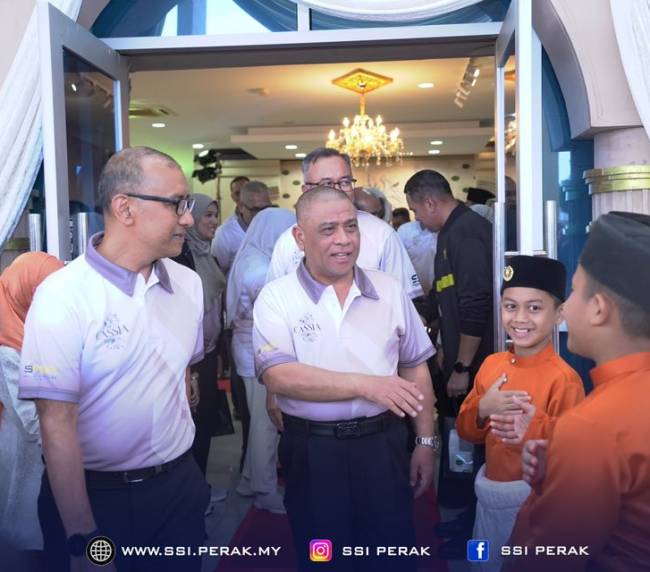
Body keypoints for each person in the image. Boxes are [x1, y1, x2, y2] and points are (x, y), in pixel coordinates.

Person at [19, 147, 209, 572]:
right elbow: (55, 423)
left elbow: (182, 373)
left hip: (179, 488)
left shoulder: (188, 284)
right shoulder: (64, 295)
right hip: (96, 498)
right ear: (125, 208)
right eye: (177, 204)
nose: (188, 219)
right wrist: (82, 537)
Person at [253, 186, 437, 571]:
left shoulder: (388, 290)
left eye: (351, 227)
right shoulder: (277, 297)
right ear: (300, 237)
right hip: (313, 451)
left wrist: (424, 441)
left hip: (383, 445)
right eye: (328, 229)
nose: (344, 240)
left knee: (391, 556)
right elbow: (280, 377)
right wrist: (368, 384)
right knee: (323, 558)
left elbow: (415, 368)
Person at [508, 212, 650, 571]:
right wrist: (560, 472)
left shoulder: (593, 426)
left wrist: (552, 483)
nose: (567, 306)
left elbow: (545, 561)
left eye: (573, 291)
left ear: (598, 309)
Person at [456, 255, 585, 571]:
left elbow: (574, 457)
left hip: (536, 507)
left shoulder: (564, 379)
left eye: (535, 308)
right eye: (510, 306)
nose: (520, 318)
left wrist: (532, 428)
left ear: (559, 314)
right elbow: (465, 431)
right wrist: (482, 409)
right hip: (488, 499)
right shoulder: (491, 365)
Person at [404, 169, 493, 559]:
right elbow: (444, 295)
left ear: (429, 202)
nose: (417, 219)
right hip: (460, 357)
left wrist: (461, 367)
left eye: (415, 211)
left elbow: (476, 302)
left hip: (475, 365)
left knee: (474, 447)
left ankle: (475, 526)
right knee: (464, 447)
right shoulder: (449, 233)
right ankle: (466, 517)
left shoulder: (466, 232)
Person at [267, 148, 422, 301]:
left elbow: (405, 300)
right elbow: (274, 298)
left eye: (345, 182)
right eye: (326, 183)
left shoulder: (382, 234)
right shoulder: (287, 242)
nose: (338, 190)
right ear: (306, 190)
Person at [226, 208, 296, 514]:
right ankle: (264, 489)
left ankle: (248, 479)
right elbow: (275, 317)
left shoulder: (252, 257)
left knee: (258, 422)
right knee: (265, 425)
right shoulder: (258, 269)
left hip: (250, 350)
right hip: (258, 353)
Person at [0, 253, 63, 565]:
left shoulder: (29, 326)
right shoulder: (9, 345)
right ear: (25, 290)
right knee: (28, 529)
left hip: (45, 448)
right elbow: (30, 419)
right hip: (26, 451)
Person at [172, 193, 234, 508]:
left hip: (208, 354)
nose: (214, 221)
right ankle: (193, 497)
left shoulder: (205, 255)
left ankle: (200, 489)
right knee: (192, 427)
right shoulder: (181, 258)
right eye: (207, 215)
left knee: (205, 423)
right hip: (190, 359)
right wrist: (191, 369)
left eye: (215, 214)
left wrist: (218, 351)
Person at [211, 175, 249, 274]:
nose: (242, 197)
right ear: (232, 196)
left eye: (245, 192)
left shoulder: (269, 223)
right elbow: (219, 270)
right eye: (238, 193)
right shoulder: (223, 233)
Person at [397, 220, 437, 295]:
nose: (416, 216)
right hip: (414, 293)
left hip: (441, 291)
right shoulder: (405, 230)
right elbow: (400, 266)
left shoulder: (446, 229)